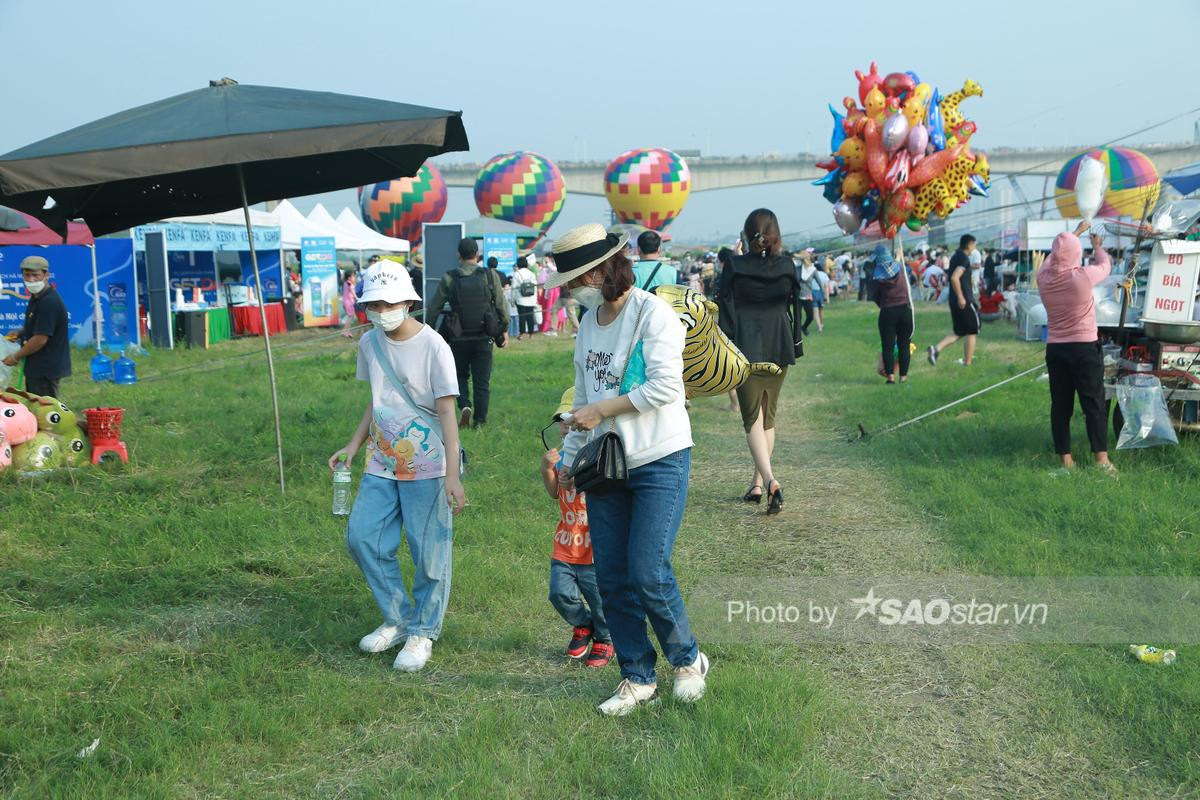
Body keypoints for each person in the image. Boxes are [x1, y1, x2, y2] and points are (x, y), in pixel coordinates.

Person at [549, 223, 708, 716]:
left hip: (660, 456)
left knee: (647, 569)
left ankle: (687, 660)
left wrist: (603, 411)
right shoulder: (588, 324)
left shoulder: (653, 314)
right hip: (605, 466)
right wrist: (571, 454)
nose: (575, 289)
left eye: (579, 279)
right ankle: (637, 676)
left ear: (603, 269)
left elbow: (664, 388)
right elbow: (582, 398)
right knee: (612, 576)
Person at [329, 261, 466, 673]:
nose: (382, 309)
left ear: (408, 301)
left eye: (389, 302)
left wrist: (453, 474)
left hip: (428, 464)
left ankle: (423, 631)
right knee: (362, 537)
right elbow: (378, 399)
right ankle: (398, 617)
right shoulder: (369, 344)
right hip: (381, 459)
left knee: (429, 555)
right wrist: (354, 445)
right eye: (373, 303)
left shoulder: (434, 346)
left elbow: (447, 411)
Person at [717, 208, 802, 515]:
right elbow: (796, 303)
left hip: (744, 346)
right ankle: (757, 483)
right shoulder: (788, 266)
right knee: (768, 415)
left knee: (752, 416)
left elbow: (723, 305)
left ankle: (768, 481)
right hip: (779, 343)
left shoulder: (734, 266)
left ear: (746, 233)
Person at [540, 389, 614, 668]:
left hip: (593, 549)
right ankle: (584, 625)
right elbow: (553, 492)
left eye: (572, 421)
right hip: (566, 544)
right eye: (563, 421)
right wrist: (547, 468)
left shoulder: (598, 455)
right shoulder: (561, 457)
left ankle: (606, 638)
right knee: (559, 592)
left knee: (599, 598)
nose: (567, 427)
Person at [1036, 223, 1115, 474]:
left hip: (1056, 350)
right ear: (1076, 253)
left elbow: (1052, 259)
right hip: (1084, 349)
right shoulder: (1082, 276)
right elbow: (1106, 266)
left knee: (1060, 406)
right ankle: (1101, 460)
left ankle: (1066, 461)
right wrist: (1098, 246)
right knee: (1093, 403)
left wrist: (1074, 235)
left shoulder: (1044, 278)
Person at [428, 238, 509, 429]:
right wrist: (503, 330)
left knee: (460, 376)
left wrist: (429, 333)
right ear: (477, 255)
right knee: (482, 382)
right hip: (484, 337)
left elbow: (433, 308)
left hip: (458, 337)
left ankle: (464, 405)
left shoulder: (450, 278)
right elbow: (501, 306)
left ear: (459, 255)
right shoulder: (489, 275)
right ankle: (479, 422)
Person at [3, 256, 70, 399]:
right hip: (37, 365)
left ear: (46, 275)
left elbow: (40, 338)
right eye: (27, 275)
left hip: (46, 367)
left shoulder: (49, 301)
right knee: (34, 407)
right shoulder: (37, 297)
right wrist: (21, 333)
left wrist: (15, 357)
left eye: (36, 275)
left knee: (46, 411)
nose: (31, 279)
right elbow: (38, 326)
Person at [928, 234, 980, 366]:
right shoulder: (963, 258)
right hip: (964, 300)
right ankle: (968, 363)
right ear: (969, 245)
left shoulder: (955, 256)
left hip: (953, 300)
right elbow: (955, 277)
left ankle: (936, 349)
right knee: (972, 330)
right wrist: (961, 297)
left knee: (959, 331)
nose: (974, 248)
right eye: (974, 245)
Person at [870, 243, 914, 385]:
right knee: (904, 345)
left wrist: (884, 304)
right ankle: (903, 377)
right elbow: (900, 262)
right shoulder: (901, 270)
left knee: (888, 346)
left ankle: (891, 377)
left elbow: (876, 297)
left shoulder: (878, 279)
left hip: (888, 312)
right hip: (905, 310)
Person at [511, 256, 539, 340]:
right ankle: (531, 334)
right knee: (530, 316)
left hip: (521, 299)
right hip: (531, 299)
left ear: (518, 264)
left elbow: (514, 288)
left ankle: (522, 334)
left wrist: (512, 300)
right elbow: (535, 287)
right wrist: (535, 299)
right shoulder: (531, 274)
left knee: (522, 317)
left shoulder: (517, 274)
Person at [795, 251, 816, 336]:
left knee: (810, 316)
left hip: (807, 296)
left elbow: (818, 280)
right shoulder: (798, 268)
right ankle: (797, 333)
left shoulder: (812, 269)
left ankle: (804, 327)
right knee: (798, 316)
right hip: (798, 295)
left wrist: (824, 293)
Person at [810, 261, 830, 332]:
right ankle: (821, 323)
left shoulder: (811, 274)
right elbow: (826, 286)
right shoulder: (824, 274)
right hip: (821, 293)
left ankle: (819, 327)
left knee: (815, 311)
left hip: (813, 293)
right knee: (821, 310)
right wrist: (827, 297)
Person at [340, 269, 359, 338]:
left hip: (345, 302)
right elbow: (354, 294)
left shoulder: (345, 283)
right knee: (351, 317)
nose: (354, 278)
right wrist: (358, 299)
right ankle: (344, 331)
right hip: (350, 303)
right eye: (353, 276)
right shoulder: (350, 284)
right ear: (349, 278)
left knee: (350, 316)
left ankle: (347, 331)